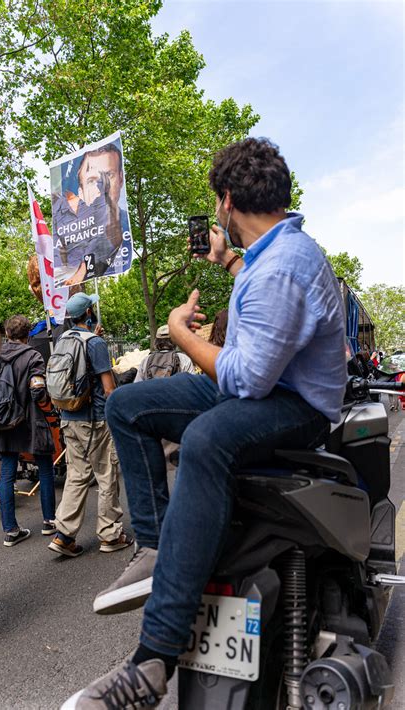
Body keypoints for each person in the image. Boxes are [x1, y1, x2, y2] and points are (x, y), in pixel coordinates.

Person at [61, 137, 347, 709]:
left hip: (295, 409)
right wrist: (227, 262)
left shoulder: (285, 266)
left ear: (225, 202)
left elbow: (245, 381)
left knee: (207, 438)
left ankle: (151, 663)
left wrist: (180, 333)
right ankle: (156, 545)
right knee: (127, 406)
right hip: (258, 389)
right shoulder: (268, 256)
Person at [48, 292, 133, 558]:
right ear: (87, 313)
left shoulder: (63, 339)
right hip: (95, 421)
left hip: (69, 418)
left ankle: (64, 535)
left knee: (77, 474)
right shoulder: (94, 343)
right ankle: (110, 534)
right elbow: (108, 388)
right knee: (106, 475)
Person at [0, 315, 56, 546]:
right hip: (31, 420)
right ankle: (49, 520)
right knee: (45, 468)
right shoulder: (33, 356)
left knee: (7, 474)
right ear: (28, 334)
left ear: (8, 334)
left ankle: (11, 529)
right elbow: (37, 390)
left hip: (3, 421)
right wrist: (47, 407)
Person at [53, 143, 131, 285]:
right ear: (81, 191)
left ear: (121, 179)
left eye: (108, 175)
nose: (101, 187)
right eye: (92, 180)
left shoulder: (125, 225)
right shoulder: (64, 236)